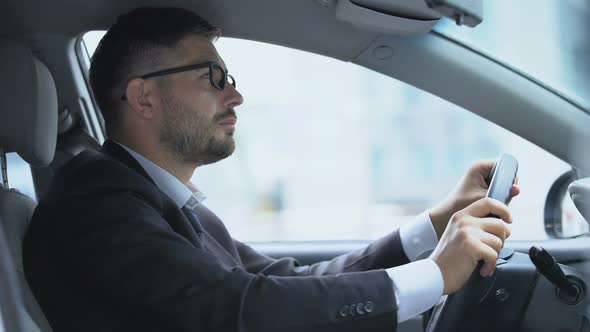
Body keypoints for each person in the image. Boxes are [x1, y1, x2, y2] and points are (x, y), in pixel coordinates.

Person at [23, 7, 519, 332]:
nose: (234, 94)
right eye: (212, 77)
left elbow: (292, 280)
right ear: (144, 97)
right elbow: (239, 308)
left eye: (229, 78)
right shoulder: (96, 208)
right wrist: (434, 275)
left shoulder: (156, 200)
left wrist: (433, 228)